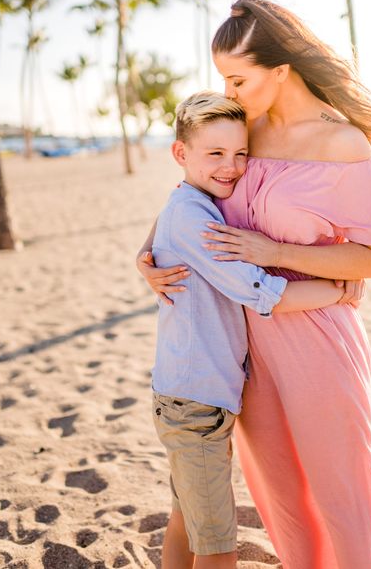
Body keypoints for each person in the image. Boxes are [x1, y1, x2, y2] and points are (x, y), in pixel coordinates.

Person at [138, 0, 371, 569]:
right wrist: (147, 254)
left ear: (281, 70)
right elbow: (191, 193)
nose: (230, 90)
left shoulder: (342, 144)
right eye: (224, 79)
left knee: (343, 497)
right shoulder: (242, 133)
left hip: (318, 337)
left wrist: (276, 251)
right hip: (245, 350)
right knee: (282, 498)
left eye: (237, 77)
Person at [151, 90, 353, 569]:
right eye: (215, 154)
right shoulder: (194, 217)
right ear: (181, 154)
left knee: (188, 520)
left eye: (241, 153)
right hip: (195, 402)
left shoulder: (193, 204)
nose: (232, 166)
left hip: (192, 393)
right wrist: (338, 289)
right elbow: (258, 291)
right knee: (218, 547)